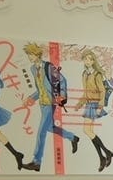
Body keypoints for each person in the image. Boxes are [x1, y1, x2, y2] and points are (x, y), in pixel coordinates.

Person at [22, 42, 79, 172]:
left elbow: (62, 80)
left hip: (50, 102)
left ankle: (37, 162)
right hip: (42, 103)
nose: (30, 57)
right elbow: (40, 88)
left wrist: (62, 96)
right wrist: (31, 98)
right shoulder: (33, 69)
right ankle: (73, 138)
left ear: (37, 54)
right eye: (28, 54)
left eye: (31, 54)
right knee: (50, 127)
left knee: (41, 132)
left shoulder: (48, 67)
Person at [75, 50, 113, 172]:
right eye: (85, 59)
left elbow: (102, 91)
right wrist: (80, 103)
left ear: (93, 61)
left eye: (90, 59)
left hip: (95, 104)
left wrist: (100, 107)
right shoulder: (84, 74)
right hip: (88, 104)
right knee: (90, 131)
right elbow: (85, 92)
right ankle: (103, 156)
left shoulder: (97, 74)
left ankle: (106, 153)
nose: (87, 61)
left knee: (86, 130)